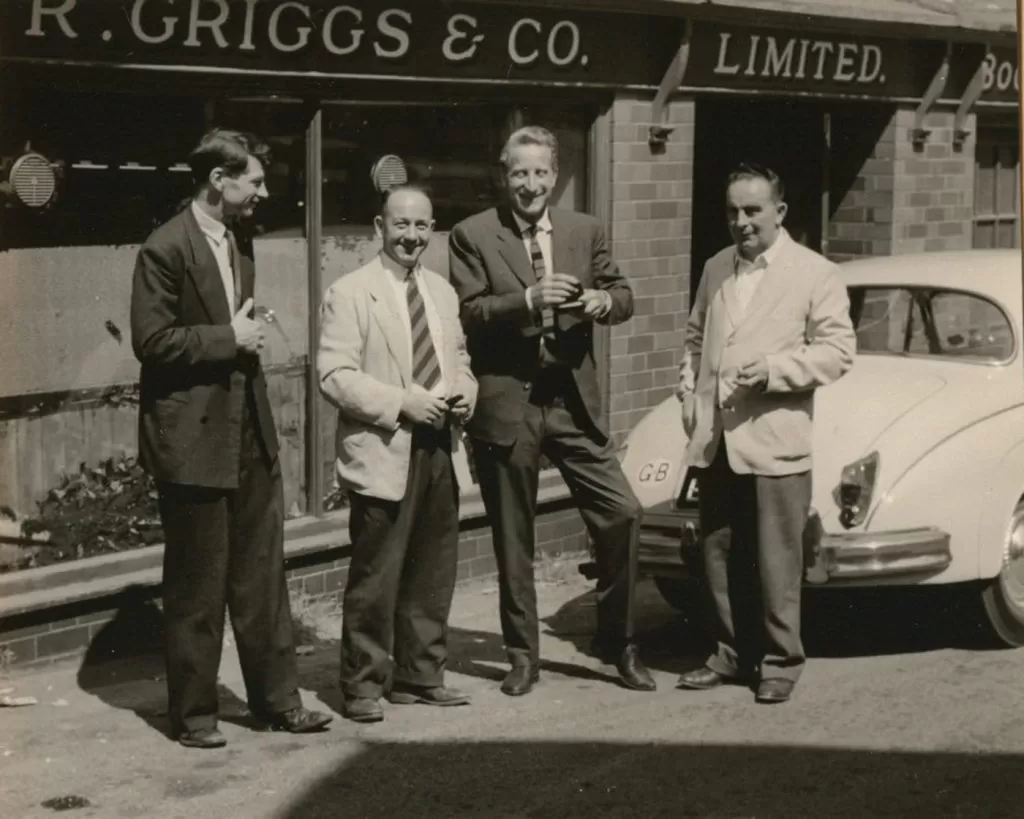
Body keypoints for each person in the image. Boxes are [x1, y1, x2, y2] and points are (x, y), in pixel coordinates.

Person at [130, 129, 331, 748]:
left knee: (262, 577)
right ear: (219, 180)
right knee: (197, 585)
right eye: (254, 181)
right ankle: (194, 718)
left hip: (248, 432)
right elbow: (152, 342)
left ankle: (279, 703)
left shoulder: (239, 241)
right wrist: (229, 338)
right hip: (193, 441)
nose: (263, 193)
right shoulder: (165, 247)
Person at [449, 126, 655, 696]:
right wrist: (528, 299)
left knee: (623, 514)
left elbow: (623, 295)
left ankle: (619, 643)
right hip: (510, 405)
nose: (530, 184)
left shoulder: (584, 229)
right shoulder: (473, 234)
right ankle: (522, 658)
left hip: (571, 402)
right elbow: (468, 312)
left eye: (540, 172)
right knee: (514, 539)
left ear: (556, 176)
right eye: (520, 173)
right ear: (504, 175)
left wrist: (601, 301)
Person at [675, 163, 855, 704]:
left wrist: (775, 370)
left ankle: (781, 660)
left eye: (753, 210)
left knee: (778, 558)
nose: (742, 222)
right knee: (718, 551)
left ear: (780, 212)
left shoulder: (816, 273)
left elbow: (837, 352)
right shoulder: (716, 267)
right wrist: (689, 392)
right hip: (717, 438)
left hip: (775, 437)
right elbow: (695, 337)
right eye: (733, 211)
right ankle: (730, 652)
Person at [318, 185, 478, 723]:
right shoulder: (350, 292)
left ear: (433, 229)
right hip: (386, 446)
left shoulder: (443, 292)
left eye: (422, 226)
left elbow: (459, 360)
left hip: (441, 445)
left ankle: (420, 676)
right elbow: (334, 375)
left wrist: (466, 392)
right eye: (401, 225)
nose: (411, 236)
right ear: (379, 227)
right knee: (377, 574)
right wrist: (401, 402)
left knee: (433, 569)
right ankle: (362, 684)